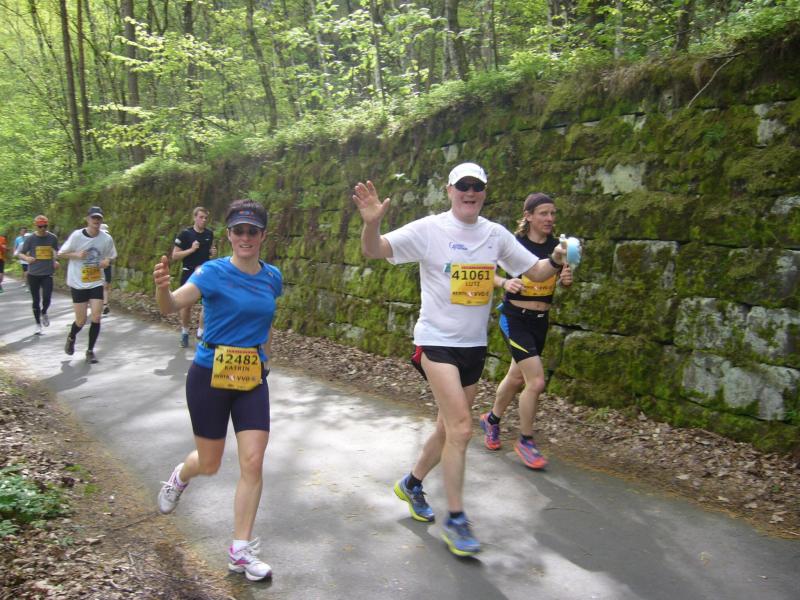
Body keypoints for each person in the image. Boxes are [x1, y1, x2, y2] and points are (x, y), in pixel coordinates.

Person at [352, 163, 569, 557]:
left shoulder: (495, 234)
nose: (470, 192)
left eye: (477, 187)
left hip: (472, 347)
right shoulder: (429, 229)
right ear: (449, 190)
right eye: (463, 186)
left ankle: (412, 484)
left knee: (446, 429)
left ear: (484, 192)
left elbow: (535, 272)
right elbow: (375, 249)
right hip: (435, 343)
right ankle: (456, 519)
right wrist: (371, 223)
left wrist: (555, 259)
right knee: (462, 428)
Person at [154, 199, 281, 582]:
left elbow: (265, 321)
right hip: (210, 374)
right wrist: (162, 289)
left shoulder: (273, 277)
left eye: (252, 231)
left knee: (253, 462)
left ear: (263, 235)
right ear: (229, 235)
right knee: (209, 464)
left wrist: (266, 358)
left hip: (251, 378)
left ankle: (240, 552)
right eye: (239, 230)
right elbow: (170, 306)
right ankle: (181, 476)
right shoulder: (211, 272)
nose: (246, 237)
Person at [480, 193, 573, 470]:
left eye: (553, 213)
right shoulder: (514, 244)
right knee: (536, 381)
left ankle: (491, 420)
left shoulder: (558, 247)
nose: (550, 218)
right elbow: (484, 271)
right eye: (543, 213)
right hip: (514, 319)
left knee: (516, 377)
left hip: (540, 321)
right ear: (528, 216)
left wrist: (566, 280)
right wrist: (504, 283)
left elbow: (562, 278)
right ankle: (526, 440)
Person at [58, 207, 117, 363]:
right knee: (81, 320)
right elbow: (61, 253)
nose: (96, 221)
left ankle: (90, 351)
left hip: (96, 281)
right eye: (93, 218)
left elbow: (111, 255)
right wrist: (76, 254)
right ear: (87, 219)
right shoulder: (77, 236)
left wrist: (106, 261)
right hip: (78, 282)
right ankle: (71, 337)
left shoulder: (106, 238)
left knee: (96, 316)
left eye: (99, 218)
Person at [172, 206, 216, 348]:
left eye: (206, 218)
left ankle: (200, 332)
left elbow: (209, 252)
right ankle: (185, 333)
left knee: (207, 304)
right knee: (186, 306)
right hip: (189, 272)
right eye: (201, 217)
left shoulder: (209, 234)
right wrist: (191, 249)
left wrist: (212, 253)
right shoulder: (185, 234)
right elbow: (175, 255)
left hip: (205, 273)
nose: (204, 220)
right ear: (194, 217)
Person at [18, 215, 60, 335]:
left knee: (47, 297)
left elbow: (56, 251)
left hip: (47, 273)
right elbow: (20, 253)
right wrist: (27, 258)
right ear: (35, 226)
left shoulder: (52, 237)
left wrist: (56, 261)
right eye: (40, 226)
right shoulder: (30, 239)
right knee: (36, 300)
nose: (42, 229)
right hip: (33, 274)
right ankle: (38, 324)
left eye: (45, 226)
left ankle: (44, 311)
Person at [99, 223, 115, 314]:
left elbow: (113, 254)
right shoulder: (94, 241)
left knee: (105, 286)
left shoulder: (109, 241)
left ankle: (105, 304)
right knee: (98, 286)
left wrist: (108, 260)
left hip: (106, 266)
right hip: (95, 267)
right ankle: (100, 304)